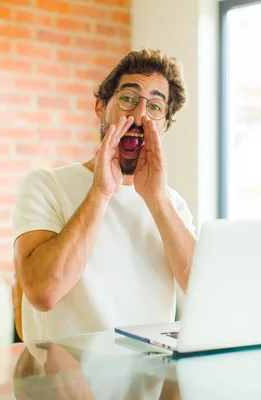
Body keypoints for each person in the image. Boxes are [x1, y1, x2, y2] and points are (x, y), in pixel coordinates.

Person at [12, 49, 197, 342]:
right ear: (100, 107)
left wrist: (156, 199)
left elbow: (202, 291)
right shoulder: (45, 185)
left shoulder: (171, 204)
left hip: (147, 380)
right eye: (127, 99)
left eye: (156, 107)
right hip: (63, 381)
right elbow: (43, 293)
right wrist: (100, 192)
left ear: (165, 125)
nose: (139, 116)